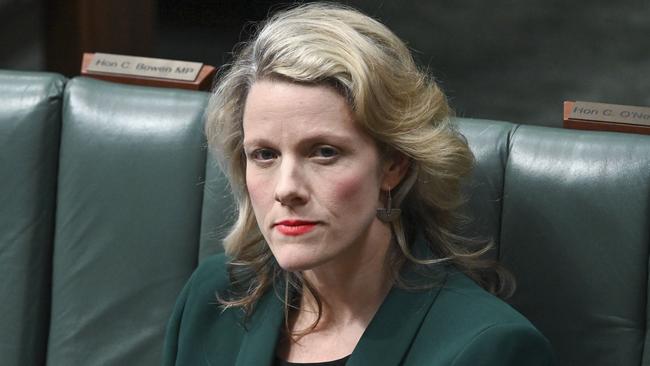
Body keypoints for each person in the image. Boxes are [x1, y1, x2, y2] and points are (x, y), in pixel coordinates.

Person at [163, 3, 556, 365]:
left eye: (324, 152)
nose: (286, 189)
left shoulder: (487, 347)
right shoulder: (211, 299)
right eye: (264, 155)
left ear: (394, 164)